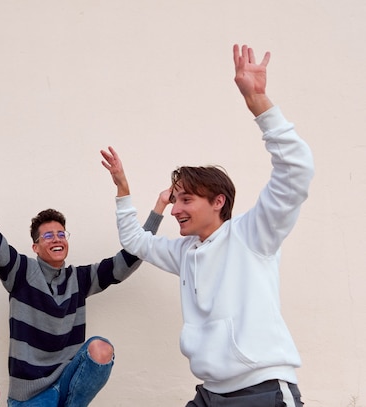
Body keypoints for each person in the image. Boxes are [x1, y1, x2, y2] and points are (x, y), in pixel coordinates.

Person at [100, 44, 314, 406]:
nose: (176, 210)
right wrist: (123, 189)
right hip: (211, 393)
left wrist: (258, 102)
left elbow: (296, 171)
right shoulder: (185, 252)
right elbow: (136, 241)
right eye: (174, 200)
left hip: (261, 391)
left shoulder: (251, 234)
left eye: (186, 200)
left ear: (218, 202)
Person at [0, 129, 164, 406]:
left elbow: (127, 261)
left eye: (61, 234)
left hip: (66, 388)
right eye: (48, 235)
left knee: (100, 349)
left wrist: (157, 207)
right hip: (30, 397)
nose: (56, 239)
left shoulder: (80, 279)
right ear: (36, 246)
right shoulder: (20, 272)